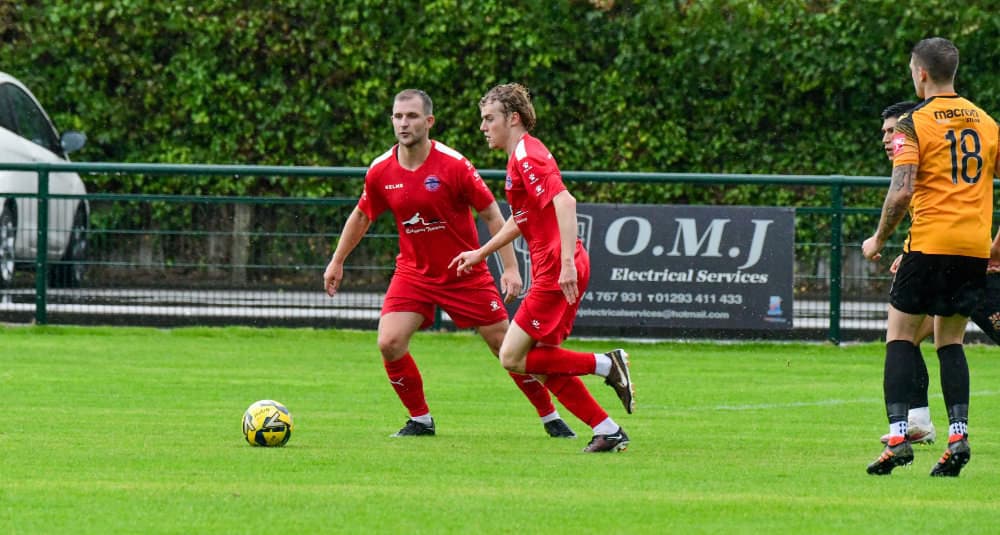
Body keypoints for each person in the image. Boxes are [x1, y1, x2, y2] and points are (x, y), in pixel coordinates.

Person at [323, 89, 577, 439]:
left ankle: (550, 416)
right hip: (413, 273)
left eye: (412, 116)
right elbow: (362, 215)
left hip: (465, 274)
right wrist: (337, 261)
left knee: (505, 347)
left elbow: (492, 214)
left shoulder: (454, 165)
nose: (403, 123)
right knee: (389, 342)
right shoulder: (381, 169)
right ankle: (420, 420)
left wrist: (510, 267)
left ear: (429, 121)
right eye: (398, 116)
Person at [450, 83, 635, 453]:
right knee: (542, 364)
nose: (483, 127)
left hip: (556, 268)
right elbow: (522, 218)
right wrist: (482, 252)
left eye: (489, 118)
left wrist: (565, 264)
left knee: (511, 356)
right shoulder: (519, 156)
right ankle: (608, 430)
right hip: (557, 265)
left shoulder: (527, 155)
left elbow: (565, 202)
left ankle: (606, 364)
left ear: (513, 118)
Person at [861, 37, 1000, 477]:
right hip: (972, 249)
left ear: (920, 73)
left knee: (900, 337)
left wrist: (878, 239)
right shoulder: (987, 122)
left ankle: (899, 436)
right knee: (950, 342)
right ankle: (958, 436)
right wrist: (995, 245)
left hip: (928, 243)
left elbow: (902, 190)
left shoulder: (913, 123)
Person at [875, 100, 937, 446]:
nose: (887, 139)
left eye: (893, 130)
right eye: (885, 132)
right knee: (907, 338)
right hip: (945, 260)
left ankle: (918, 421)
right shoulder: (919, 167)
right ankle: (920, 420)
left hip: (967, 263)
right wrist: (910, 249)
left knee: (904, 337)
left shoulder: (927, 167)